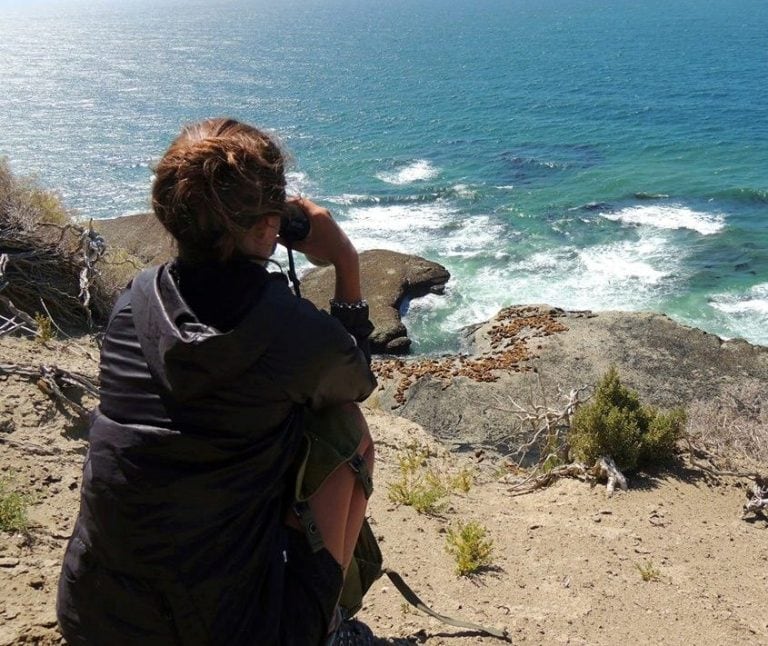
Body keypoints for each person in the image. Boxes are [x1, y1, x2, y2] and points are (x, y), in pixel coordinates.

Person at [56, 118, 378, 645]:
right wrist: (344, 260)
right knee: (345, 429)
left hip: (94, 616)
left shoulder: (133, 303)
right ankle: (323, 622)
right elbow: (356, 380)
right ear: (265, 228)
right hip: (223, 632)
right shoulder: (287, 332)